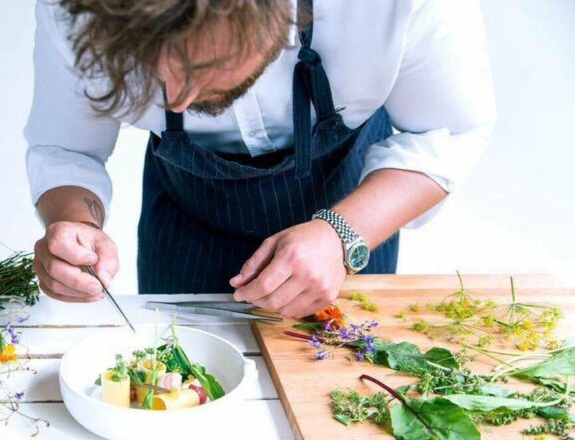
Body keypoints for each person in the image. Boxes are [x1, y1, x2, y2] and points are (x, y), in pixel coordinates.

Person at [25, 0, 495, 318]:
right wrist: (75, 225)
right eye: (146, 70)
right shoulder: (74, 10)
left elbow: (447, 132)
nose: (176, 99)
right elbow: (68, 147)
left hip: (354, 203)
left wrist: (340, 235)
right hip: (186, 222)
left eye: (201, 68)